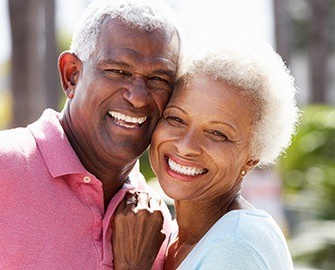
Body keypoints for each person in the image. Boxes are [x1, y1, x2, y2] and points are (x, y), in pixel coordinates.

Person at [0, 0, 183, 269]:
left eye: (159, 79)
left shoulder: (158, 222)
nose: (138, 97)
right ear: (72, 76)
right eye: (117, 71)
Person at [114, 39, 299, 269]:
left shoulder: (233, 247)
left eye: (217, 134)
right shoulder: (178, 237)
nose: (186, 146)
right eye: (176, 119)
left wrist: (133, 266)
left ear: (252, 157)